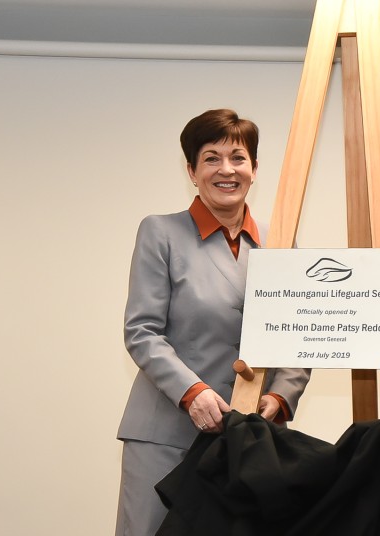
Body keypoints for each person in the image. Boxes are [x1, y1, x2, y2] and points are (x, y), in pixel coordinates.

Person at [115, 108, 311, 536]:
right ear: (191, 170)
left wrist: (281, 395)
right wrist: (193, 392)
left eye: (238, 158)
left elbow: (298, 335)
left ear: (254, 169)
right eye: (211, 158)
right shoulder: (160, 233)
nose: (227, 170)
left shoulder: (281, 243)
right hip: (165, 435)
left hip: (248, 438)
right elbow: (142, 332)